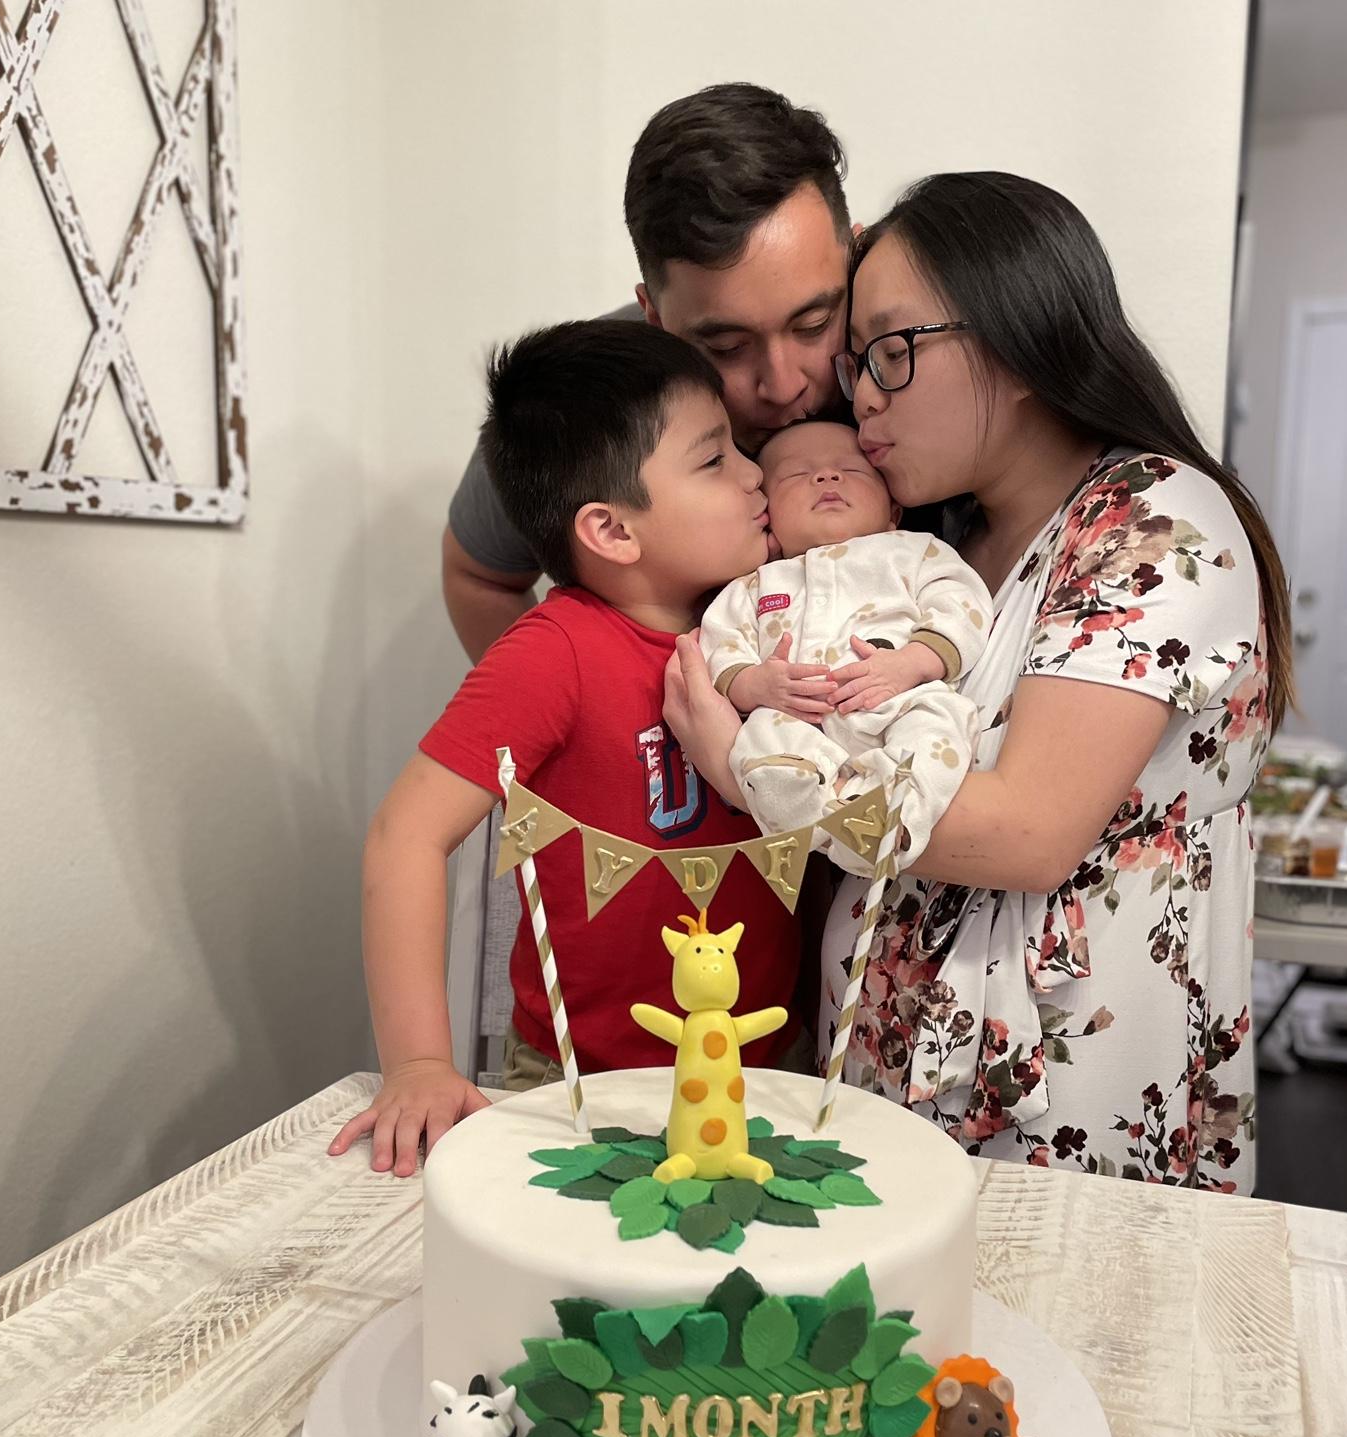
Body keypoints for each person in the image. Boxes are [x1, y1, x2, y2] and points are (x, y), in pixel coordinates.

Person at [666, 172, 1293, 1193]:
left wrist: (747, 769)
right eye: (859, 361)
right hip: (892, 1087)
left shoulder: (1149, 522)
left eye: (892, 351)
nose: (863, 395)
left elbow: (1027, 833)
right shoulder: (945, 544)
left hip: (1063, 1103)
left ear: (1018, 333)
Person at [330, 321, 802, 1176]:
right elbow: (405, 836)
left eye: (739, 447)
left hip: (767, 1071)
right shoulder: (555, 654)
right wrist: (418, 1064)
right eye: (713, 459)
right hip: (575, 1084)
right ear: (612, 531)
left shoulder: (776, 621)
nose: (753, 472)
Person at [442, 83, 854, 661]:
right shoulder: (590, 399)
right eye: (727, 346)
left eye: (814, 324)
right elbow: (479, 576)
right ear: (653, 316)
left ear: (854, 256)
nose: (783, 384)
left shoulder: (919, 357)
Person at [700, 420, 991, 874]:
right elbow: (721, 644)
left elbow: (963, 603)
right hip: (802, 722)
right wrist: (755, 685)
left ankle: (895, 817)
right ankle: (808, 806)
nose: (826, 476)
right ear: (767, 517)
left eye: (852, 470)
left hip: (897, 699)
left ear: (893, 511)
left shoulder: (914, 551)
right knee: (760, 737)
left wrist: (914, 663)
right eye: (797, 475)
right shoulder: (756, 584)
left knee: (940, 720)